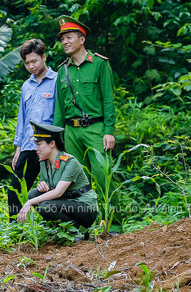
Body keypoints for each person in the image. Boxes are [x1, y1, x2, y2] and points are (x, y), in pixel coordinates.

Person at [52, 15, 122, 232]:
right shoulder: (62, 70)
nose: (65, 42)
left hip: (95, 129)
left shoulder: (100, 64)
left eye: (69, 37)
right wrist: (56, 139)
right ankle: (83, 228)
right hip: (71, 132)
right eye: (62, 38)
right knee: (74, 183)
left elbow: (108, 100)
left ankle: (114, 226)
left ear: (81, 39)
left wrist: (109, 131)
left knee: (103, 177)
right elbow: (58, 110)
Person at [17, 122, 98, 239]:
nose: (36, 149)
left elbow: (58, 192)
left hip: (84, 207)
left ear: (52, 143)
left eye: (39, 144)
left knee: (44, 205)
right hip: (66, 203)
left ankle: (79, 231)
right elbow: (50, 189)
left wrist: (29, 203)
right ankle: (61, 229)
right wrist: (43, 187)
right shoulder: (44, 162)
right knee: (34, 193)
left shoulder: (70, 162)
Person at [9, 38, 57, 219]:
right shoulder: (26, 86)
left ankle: (59, 228)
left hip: (50, 147)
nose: (31, 66)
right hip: (29, 146)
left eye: (34, 61)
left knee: (53, 188)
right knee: (15, 189)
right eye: (27, 63)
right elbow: (22, 118)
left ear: (44, 57)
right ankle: (15, 230)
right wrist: (18, 148)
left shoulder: (57, 80)